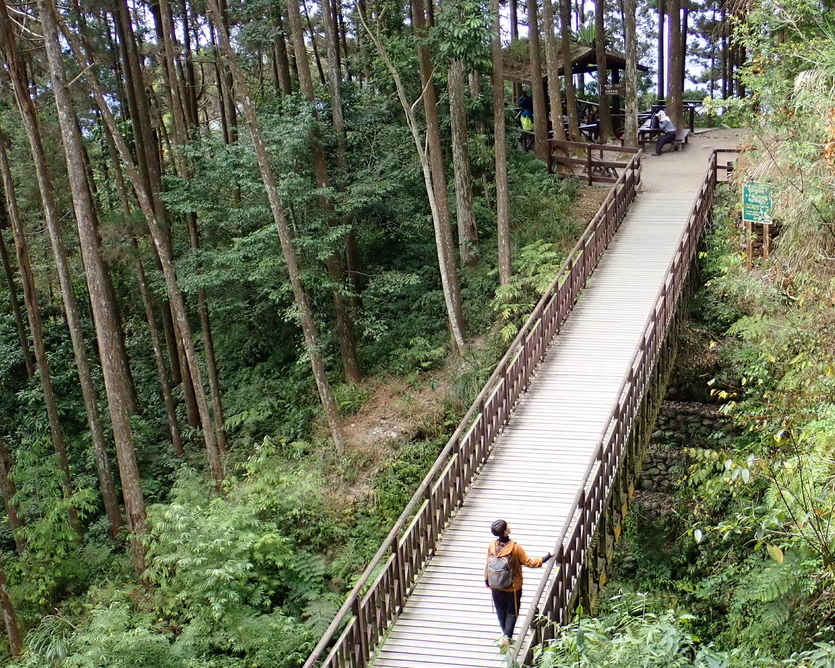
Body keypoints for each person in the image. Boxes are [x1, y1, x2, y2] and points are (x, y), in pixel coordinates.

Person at [484, 519, 552, 645]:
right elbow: (529, 562)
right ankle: (507, 637)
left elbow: (488, 564)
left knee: (500, 610)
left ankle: (505, 635)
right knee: (512, 612)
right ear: (505, 532)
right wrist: (545, 558)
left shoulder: (492, 545)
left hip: (495, 585)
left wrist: (486, 579)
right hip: (512, 587)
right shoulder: (515, 548)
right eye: (507, 526)